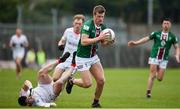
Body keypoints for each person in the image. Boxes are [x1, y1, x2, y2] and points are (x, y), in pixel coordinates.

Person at [65, 5, 113, 108]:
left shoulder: (103, 27)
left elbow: (103, 43)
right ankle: (71, 81)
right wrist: (99, 38)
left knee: (101, 81)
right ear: (94, 15)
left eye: (102, 16)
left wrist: (109, 42)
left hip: (93, 57)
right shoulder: (87, 25)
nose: (101, 19)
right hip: (82, 58)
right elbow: (83, 41)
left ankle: (95, 102)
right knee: (87, 84)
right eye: (99, 16)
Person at [128, 18, 180, 98]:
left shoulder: (172, 37)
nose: (166, 25)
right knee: (152, 75)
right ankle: (148, 93)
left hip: (164, 59)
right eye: (164, 23)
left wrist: (177, 55)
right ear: (162, 25)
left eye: (167, 23)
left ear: (170, 25)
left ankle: (156, 73)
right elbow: (146, 39)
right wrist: (136, 43)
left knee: (159, 78)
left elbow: (177, 47)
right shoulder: (156, 33)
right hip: (154, 56)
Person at [52, 14, 85, 82]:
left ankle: (71, 81)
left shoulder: (84, 35)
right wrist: (60, 45)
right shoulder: (68, 31)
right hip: (64, 59)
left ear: (82, 24)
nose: (77, 25)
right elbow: (62, 40)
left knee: (62, 80)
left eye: (79, 23)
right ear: (73, 23)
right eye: (76, 23)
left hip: (73, 63)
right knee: (55, 78)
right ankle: (70, 80)